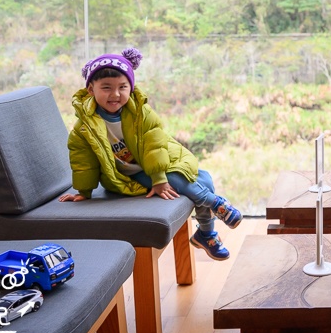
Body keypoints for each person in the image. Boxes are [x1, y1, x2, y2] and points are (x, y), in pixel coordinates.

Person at [59, 47, 242, 261]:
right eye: (106, 88)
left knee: (203, 177)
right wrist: (84, 190)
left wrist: (158, 178)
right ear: (91, 89)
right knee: (175, 179)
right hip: (129, 173)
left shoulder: (141, 113)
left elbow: (155, 146)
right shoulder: (85, 127)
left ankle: (206, 233)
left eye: (122, 87)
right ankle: (214, 203)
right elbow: (83, 161)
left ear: (131, 87)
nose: (115, 94)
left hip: (159, 159)